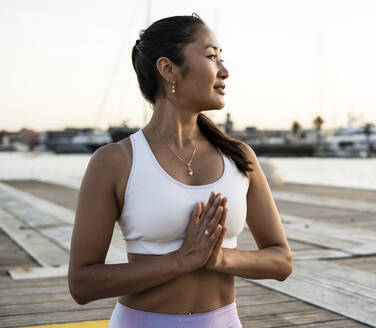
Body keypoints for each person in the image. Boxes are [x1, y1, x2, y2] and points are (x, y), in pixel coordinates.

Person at [68, 14, 293, 328]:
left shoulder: (239, 157)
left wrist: (219, 258)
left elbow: (281, 261)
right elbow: (82, 284)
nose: (224, 71)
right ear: (168, 69)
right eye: (212, 57)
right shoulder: (115, 161)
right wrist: (179, 262)